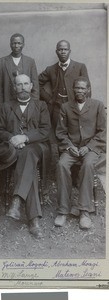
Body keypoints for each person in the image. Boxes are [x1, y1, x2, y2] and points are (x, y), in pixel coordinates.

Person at [0, 74, 51, 239]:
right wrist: (12, 138)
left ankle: (17, 200)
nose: (23, 87)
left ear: (32, 86)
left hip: (37, 147)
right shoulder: (6, 106)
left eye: (26, 84)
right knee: (28, 165)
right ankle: (33, 220)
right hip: (13, 149)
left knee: (29, 152)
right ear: (14, 88)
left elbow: (45, 130)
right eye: (19, 85)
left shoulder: (41, 105)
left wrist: (25, 137)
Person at [54, 76, 106, 229]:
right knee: (61, 165)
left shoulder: (97, 105)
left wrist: (89, 147)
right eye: (77, 88)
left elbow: (102, 132)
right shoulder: (66, 107)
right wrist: (70, 146)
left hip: (91, 148)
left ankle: (84, 210)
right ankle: (63, 210)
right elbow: (60, 133)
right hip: (72, 148)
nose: (80, 91)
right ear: (73, 89)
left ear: (88, 89)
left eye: (83, 88)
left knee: (88, 165)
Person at [39, 40, 91, 129]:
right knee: (56, 131)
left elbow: (87, 88)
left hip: (75, 106)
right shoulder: (50, 69)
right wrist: (48, 99)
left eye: (65, 49)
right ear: (56, 52)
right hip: (56, 107)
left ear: (69, 51)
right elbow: (35, 83)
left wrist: (85, 107)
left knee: (75, 130)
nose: (63, 52)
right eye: (60, 49)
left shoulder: (80, 67)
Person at [0, 33, 39, 113]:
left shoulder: (30, 61)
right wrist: (0, 109)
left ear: (23, 44)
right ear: (10, 44)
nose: (16, 46)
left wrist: (34, 105)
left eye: (19, 43)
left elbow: (35, 86)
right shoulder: (2, 61)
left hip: (26, 103)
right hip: (8, 103)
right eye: (14, 43)